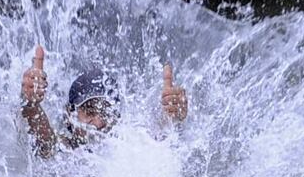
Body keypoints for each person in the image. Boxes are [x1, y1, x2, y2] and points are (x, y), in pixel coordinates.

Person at [20, 45, 189, 158]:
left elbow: (159, 146)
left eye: (106, 112)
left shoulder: (128, 151)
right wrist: (31, 105)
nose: (99, 123)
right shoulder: (65, 151)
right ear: (68, 116)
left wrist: (172, 119)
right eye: (90, 111)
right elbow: (46, 141)